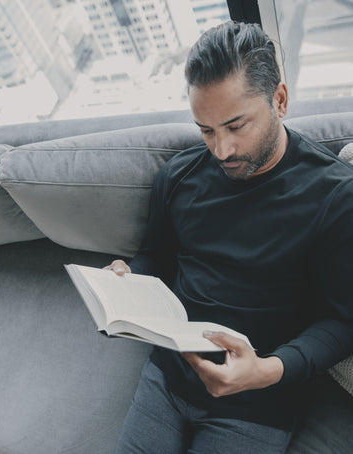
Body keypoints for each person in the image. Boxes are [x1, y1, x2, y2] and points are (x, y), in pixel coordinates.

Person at [106, 21, 353, 454]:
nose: (221, 150)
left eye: (237, 126)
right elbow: (153, 257)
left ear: (280, 99)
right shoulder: (177, 177)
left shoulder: (336, 196)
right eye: (206, 130)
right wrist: (127, 278)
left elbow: (344, 322)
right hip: (167, 377)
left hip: (258, 400)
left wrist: (270, 370)